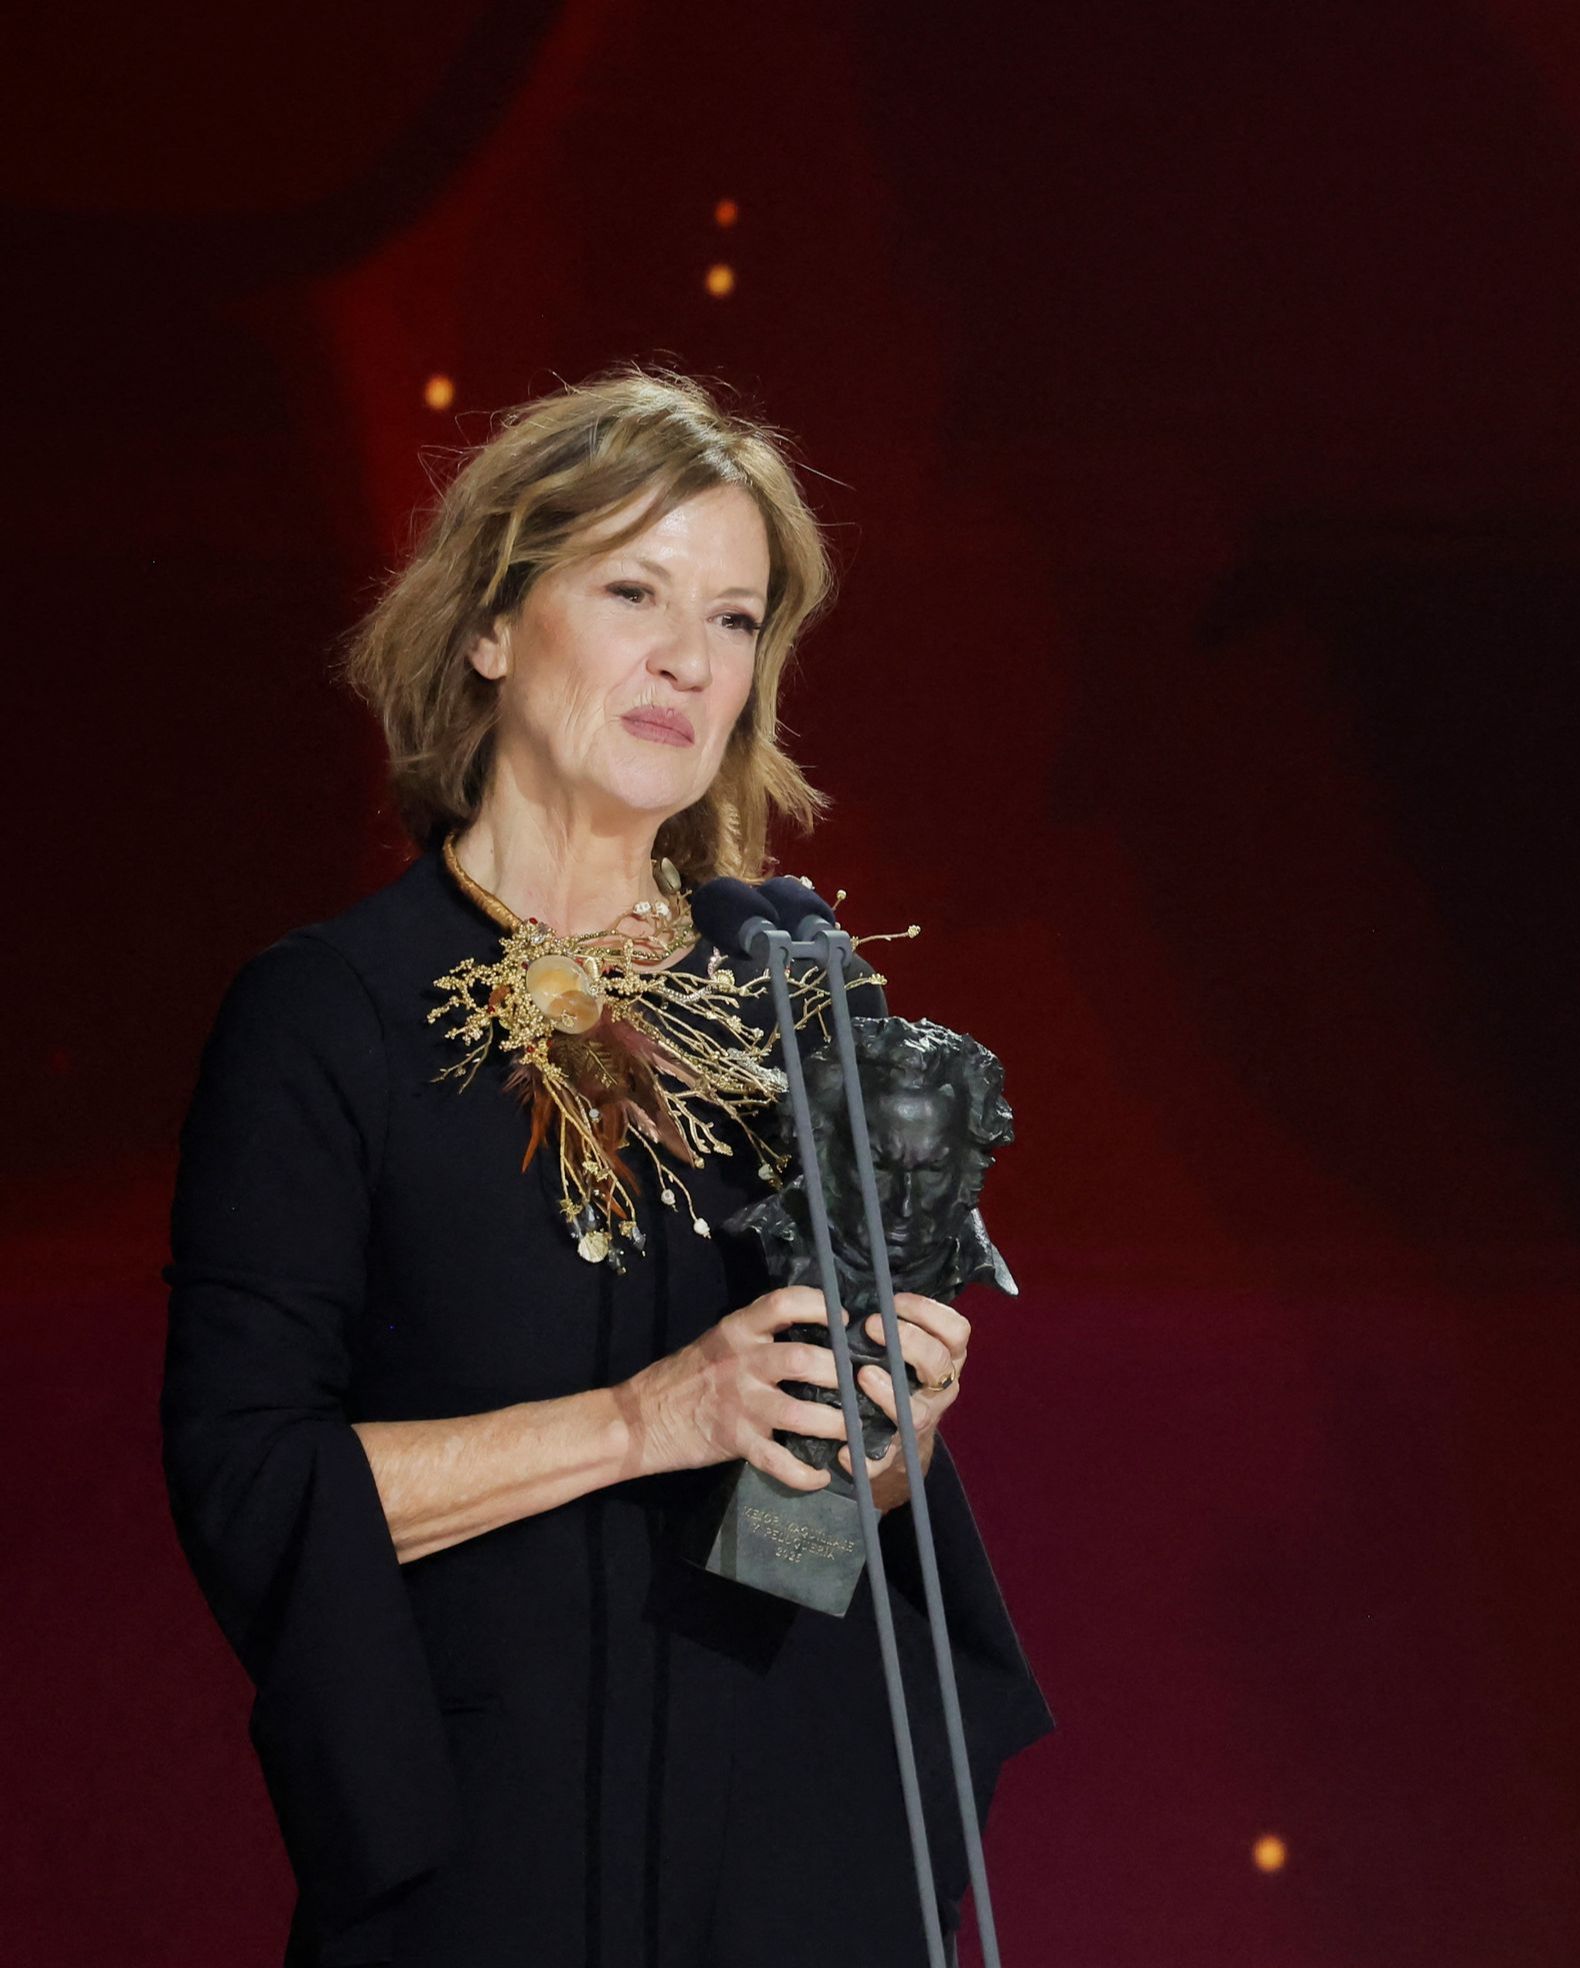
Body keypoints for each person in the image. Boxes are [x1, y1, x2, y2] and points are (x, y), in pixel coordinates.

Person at [162, 368, 1051, 1966]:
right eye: (634, 591)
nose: (687, 659)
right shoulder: (332, 1013)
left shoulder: (796, 993)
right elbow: (250, 1489)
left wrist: (879, 1440)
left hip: (794, 1845)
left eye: (734, 618)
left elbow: (815, 1538)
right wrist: (647, 1421)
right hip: (495, 1854)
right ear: (491, 627)